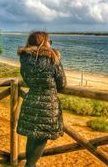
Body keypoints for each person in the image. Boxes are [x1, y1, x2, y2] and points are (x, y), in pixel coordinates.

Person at [17, 31, 67, 167]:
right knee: (42, 137)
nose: (50, 44)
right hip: (47, 104)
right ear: (44, 43)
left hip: (30, 100)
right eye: (49, 42)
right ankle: (30, 165)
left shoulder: (24, 58)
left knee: (32, 136)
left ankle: (29, 164)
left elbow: (26, 79)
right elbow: (62, 84)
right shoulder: (53, 58)